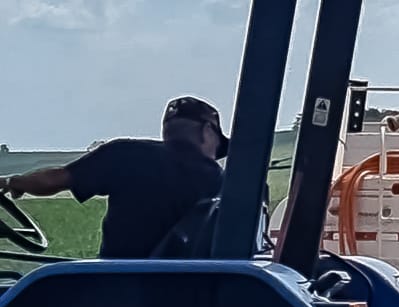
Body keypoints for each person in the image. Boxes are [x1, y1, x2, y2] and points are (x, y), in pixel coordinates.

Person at [0, 97, 229, 259]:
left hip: (114, 287)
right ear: (207, 130)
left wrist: (13, 182)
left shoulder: (125, 154)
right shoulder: (222, 182)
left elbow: (54, 180)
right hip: (183, 291)